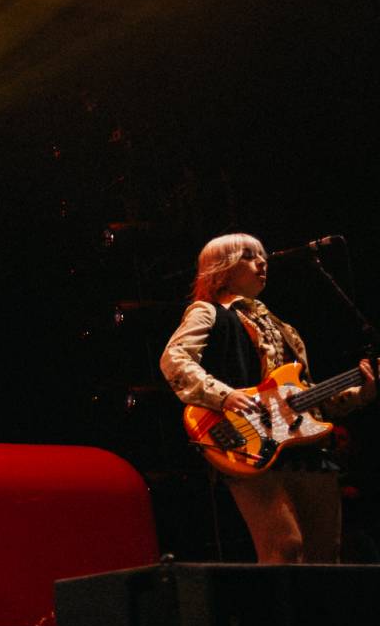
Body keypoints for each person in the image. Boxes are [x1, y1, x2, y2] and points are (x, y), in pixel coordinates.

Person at [159, 232, 374, 564]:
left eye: (262, 256)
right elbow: (175, 359)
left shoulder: (284, 327)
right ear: (222, 268)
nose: (261, 262)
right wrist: (224, 396)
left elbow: (310, 398)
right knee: (285, 546)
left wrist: (362, 392)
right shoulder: (208, 312)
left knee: (325, 554)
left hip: (302, 443)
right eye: (248, 256)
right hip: (247, 439)